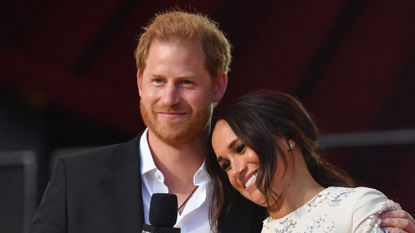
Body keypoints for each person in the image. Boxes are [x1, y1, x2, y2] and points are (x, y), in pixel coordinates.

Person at [29, 10, 414, 233]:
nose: (170, 98)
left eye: (186, 83)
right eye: (158, 81)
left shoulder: (253, 188)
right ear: (139, 84)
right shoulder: (77, 177)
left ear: (218, 85)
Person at [210, 90, 415, 233]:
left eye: (240, 148)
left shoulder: (359, 208)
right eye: (226, 165)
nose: (235, 170)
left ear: (287, 136)